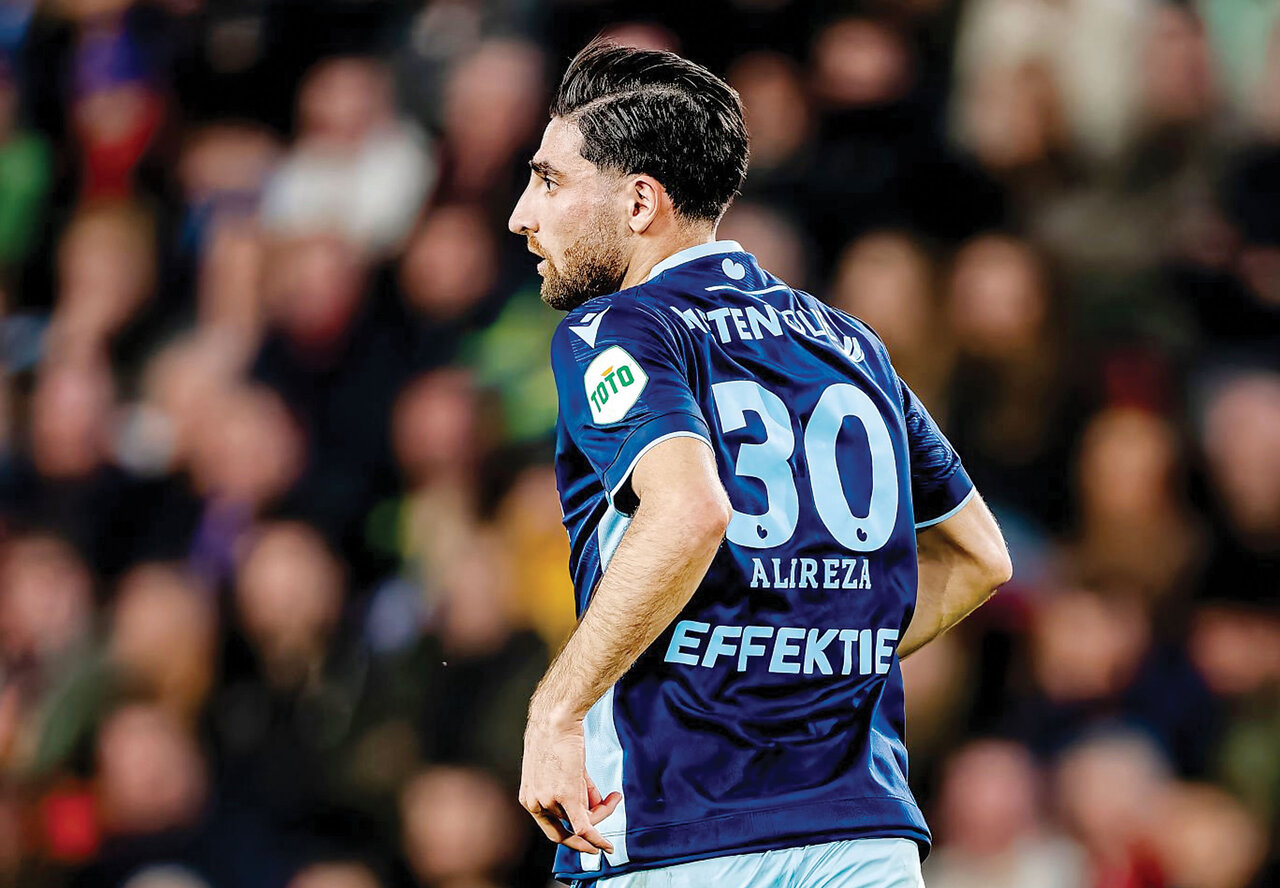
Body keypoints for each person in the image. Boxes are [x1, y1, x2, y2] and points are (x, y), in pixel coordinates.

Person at [507, 41, 1013, 888]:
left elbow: (690, 509)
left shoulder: (618, 328)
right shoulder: (851, 343)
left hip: (681, 828)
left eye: (550, 181)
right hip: (864, 833)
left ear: (640, 202)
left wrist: (556, 712)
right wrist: (799, 664)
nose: (523, 214)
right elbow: (977, 557)